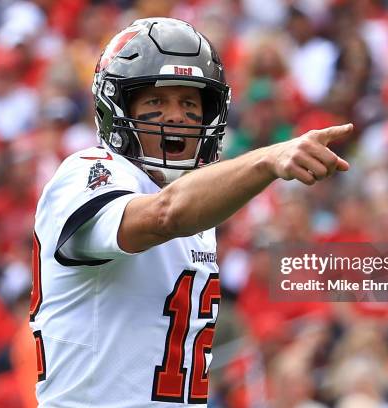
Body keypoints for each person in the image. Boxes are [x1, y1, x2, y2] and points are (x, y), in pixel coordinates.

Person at [29, 17, 352, 406]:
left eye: (188, 102)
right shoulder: (89, 170)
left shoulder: (198, 201)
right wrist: (267, 159)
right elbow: (165, 214)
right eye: (156, 101)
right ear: (116, 107)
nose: (176, 116)